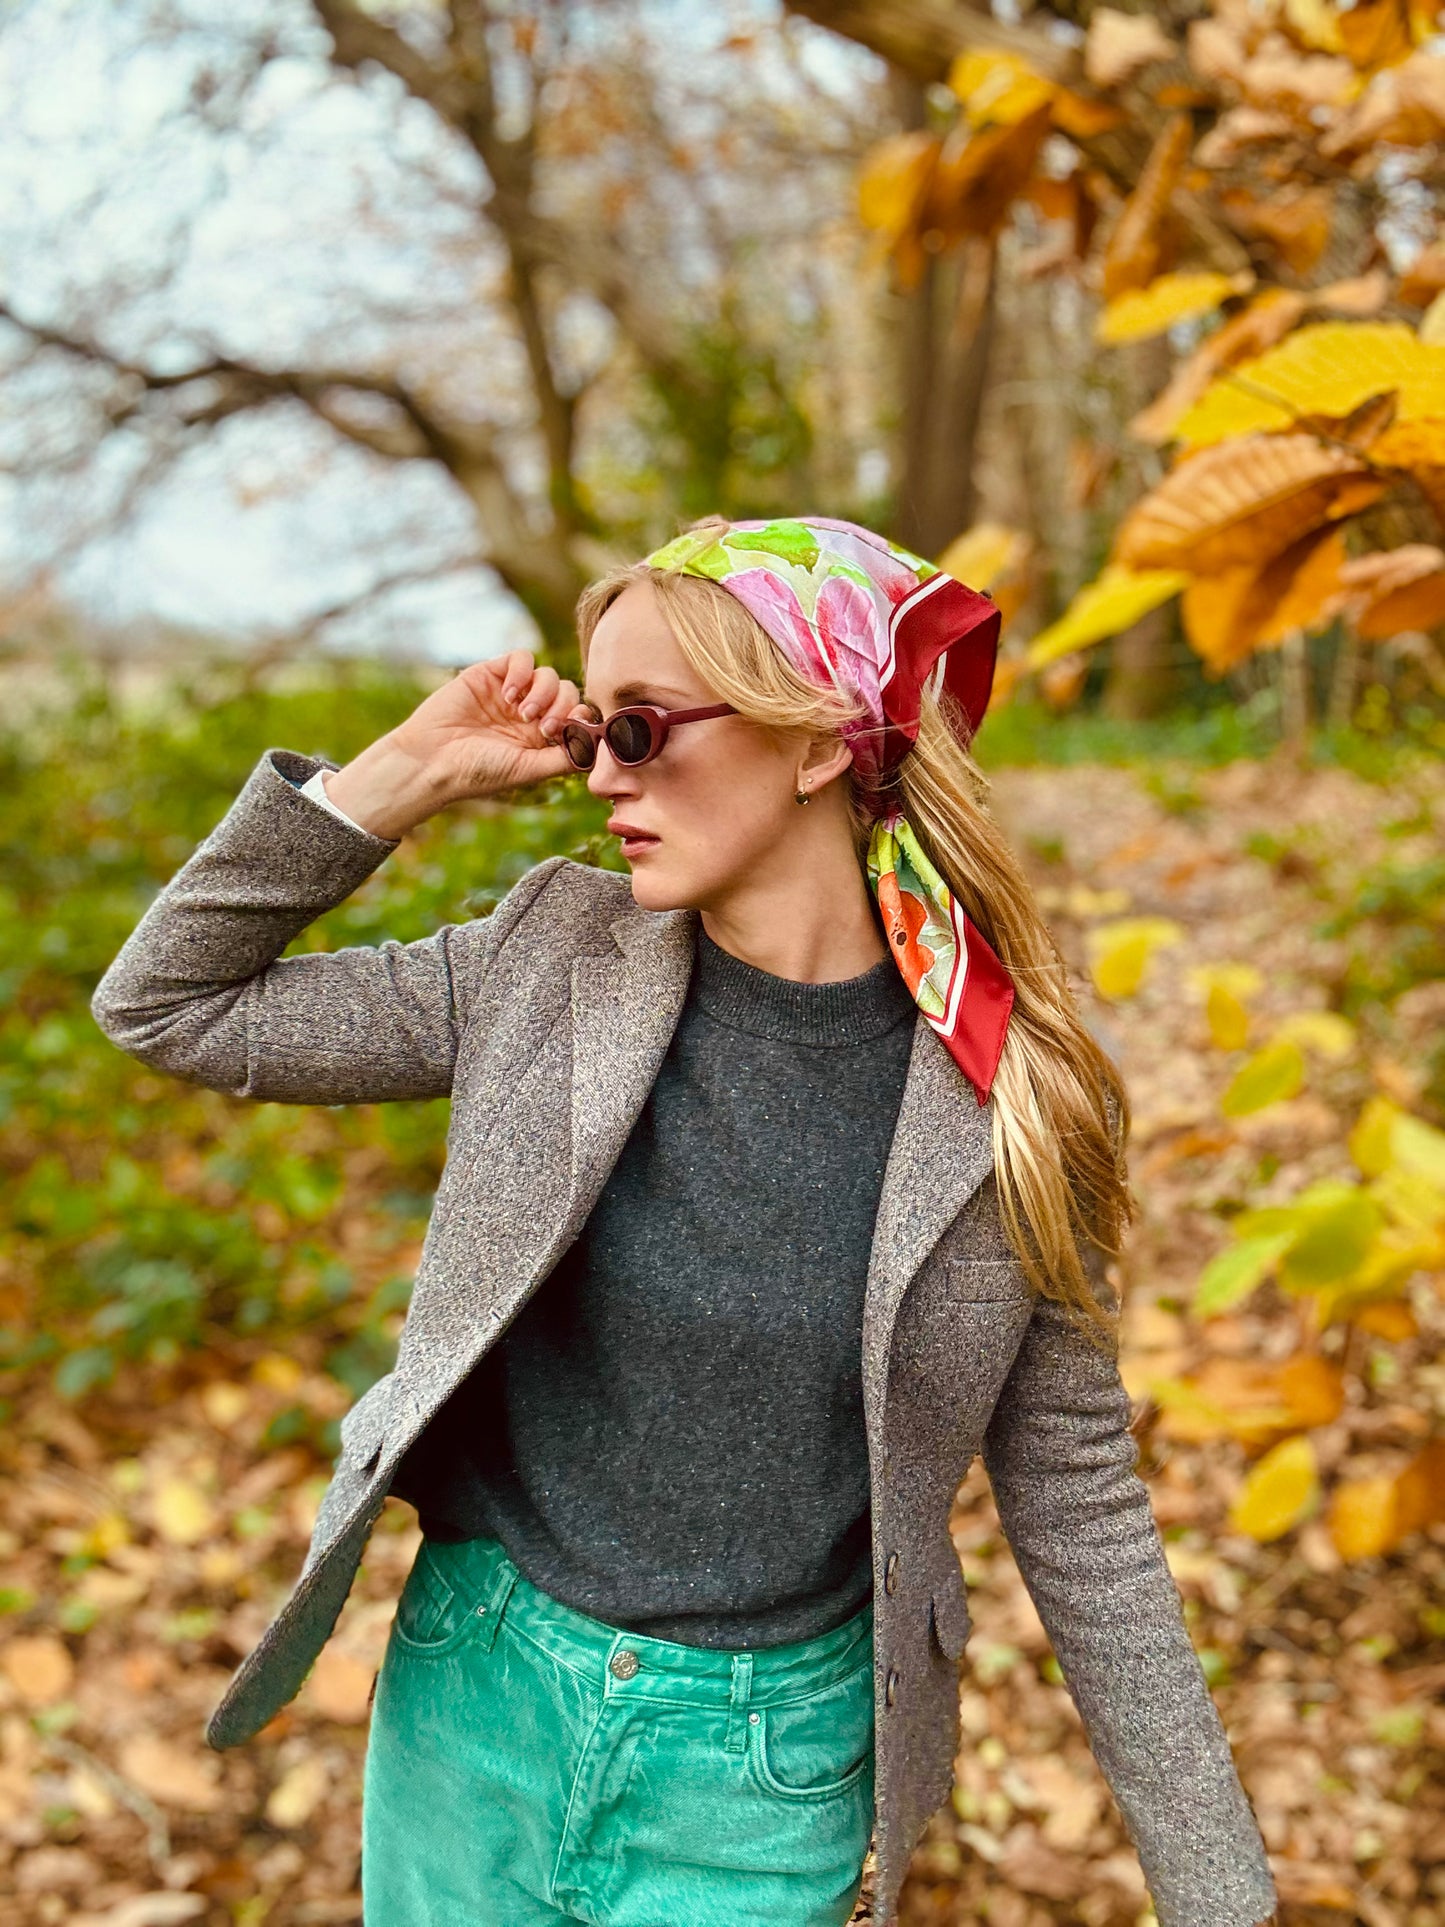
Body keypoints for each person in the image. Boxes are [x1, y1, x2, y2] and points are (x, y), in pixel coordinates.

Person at [91, 516, 1278, 1927]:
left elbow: (1077, 1495)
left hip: (761, 1767)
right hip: (472, 1690)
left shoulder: (1009, 1094)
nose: (599, 774)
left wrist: (1220, 1895)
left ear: (819, 737)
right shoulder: (546, 959)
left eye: (641, 730)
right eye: (594, 729)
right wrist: (398, 778)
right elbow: (168, 1005)